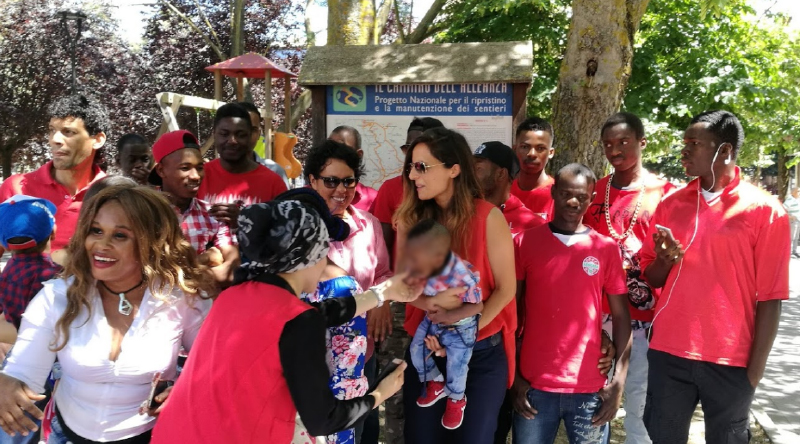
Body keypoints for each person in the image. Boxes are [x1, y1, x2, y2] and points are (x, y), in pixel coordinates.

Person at [151, 193, 432, 443]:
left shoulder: (235, 296)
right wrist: (380, 393)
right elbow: (324, 419)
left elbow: (316, 316)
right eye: (324, 252)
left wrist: (382, 293)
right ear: (309, 256)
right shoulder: (295, 321)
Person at [0, 185, 214, 442]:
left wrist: (188, 388)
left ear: (152, 242)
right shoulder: (56, 297)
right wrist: (8, 383)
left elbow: (215, 365)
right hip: (67, 435)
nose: (101, 245)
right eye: (96, 231)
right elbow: (24, 370)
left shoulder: (181, 299)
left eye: (120, 235)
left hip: (153, 435)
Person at [640, 110, 790, 443]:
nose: (684, 151)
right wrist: (665, 260)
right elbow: (652, 275)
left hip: (730, 360)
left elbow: (771, 299)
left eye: (694, 144)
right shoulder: (670, 204)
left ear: (724, 151)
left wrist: (753, 375)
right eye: (684, 143)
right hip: (669, 353)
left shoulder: (765, 211)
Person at [393, 127, 516, 443]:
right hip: (428, 351)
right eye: (410, 167)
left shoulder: (489, 217)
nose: (412, 175)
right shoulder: (411, 220)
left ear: (454, 169)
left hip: (480, 356)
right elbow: (405, 288)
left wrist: (461, 335)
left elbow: (506, 289)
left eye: (422, 167)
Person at [511, 163, 632, 444]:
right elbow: (512, 314)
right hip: (534, 385)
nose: (573, 201)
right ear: (554, 192)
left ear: (591, 198)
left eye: (582, 196)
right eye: (566, 193)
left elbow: (621, 316)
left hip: (589, 386)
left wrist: (619, 382)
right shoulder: (524, 243)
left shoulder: (605, 248)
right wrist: (514, 377)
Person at [582, 112, 674, 444]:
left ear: (641, 142)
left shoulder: (665, 193)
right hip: (600, 315)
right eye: (608, 144)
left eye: (623, 142)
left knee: (640, 402)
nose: (615, 150)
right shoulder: (594, 191)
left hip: (647, 319)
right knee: (595, 398)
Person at [305, 141, 393, 442]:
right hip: (309, 356)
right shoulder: (300, 229)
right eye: (331, 181)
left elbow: (382, 273)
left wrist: (380, 302)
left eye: (348, 181)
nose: (340, 189)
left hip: (360, 352)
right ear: (312, 181)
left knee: (358, 428)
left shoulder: (368, 225)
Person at [369, 116, 443, 444]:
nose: (416, 157)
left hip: (442, 309)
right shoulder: (390, 190)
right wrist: (380, 300)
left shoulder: (449, 195)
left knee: (438, 392)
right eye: (410, 149)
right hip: (400, 308)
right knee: (393, 389)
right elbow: (379, 253)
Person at [0, 94, 109, 261]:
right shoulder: (16, 188)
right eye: (52, 130)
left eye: (68, 132)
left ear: (97, 140)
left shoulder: (112, 194)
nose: (54, 140)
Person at [406, 219, 483, 429]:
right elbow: (410, 294)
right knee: (416, 349)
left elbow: (478, 307)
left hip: (461, 326)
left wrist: (450, 316)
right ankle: (436, 382)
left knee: (457, 365)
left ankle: (457, 398)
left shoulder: (462, 274)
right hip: (433, 320)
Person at [151, 130, 238, 286]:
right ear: (161, 170)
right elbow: (148, 275)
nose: (196, 176)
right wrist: (204, 260)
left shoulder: (212, 214)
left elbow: (232, 270)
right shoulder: (144, 212)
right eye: (185, 168)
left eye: (199, 168)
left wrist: (180, 276)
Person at [198, 103, 288, 228]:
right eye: (224, 134)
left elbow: (285, 231)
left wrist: (243, 219)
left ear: (251, 136)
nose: (232, 141)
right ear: (214, 134)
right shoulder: (199, 176)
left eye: (240, 135)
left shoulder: (274, 183)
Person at [0, 196, 61, 331]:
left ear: (6, 246)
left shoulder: (9, 270)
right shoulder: (57, 276)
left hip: (14, 347)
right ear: (53, 232)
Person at [473, 141, 543, 237]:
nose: (470, 175)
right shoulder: (462, 215)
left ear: (501, 174)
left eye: (478, 169)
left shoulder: (533, 225)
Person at [236, 101, 291, 188]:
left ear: (259, 134)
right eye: (240, 129)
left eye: (252, 130)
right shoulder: (209, 173)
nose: (247, 134)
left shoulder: (275, 172)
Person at [511, 117, 555, 220]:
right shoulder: (502, 192)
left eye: (540, 148)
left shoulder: (559, 195)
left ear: (551, 153)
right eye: (525, 147)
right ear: (515, 149)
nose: (531, 154)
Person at [329, 125, 378, 212]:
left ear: (358, 155)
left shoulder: (372, 198)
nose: (333, 153)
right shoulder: (307, 195)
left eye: (341, 148)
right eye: (328, 147)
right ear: (313, 181)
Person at [783, 188, 800, 258]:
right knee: (791, 237)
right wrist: (789, 217)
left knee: (796, 237)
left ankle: (794, 251)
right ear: (793, 192)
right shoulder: (790, 199)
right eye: (797, 191)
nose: (799, 193)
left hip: (798, 220)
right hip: (793, 221)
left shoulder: (798, 199)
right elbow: (783, 208)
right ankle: (788, 252)